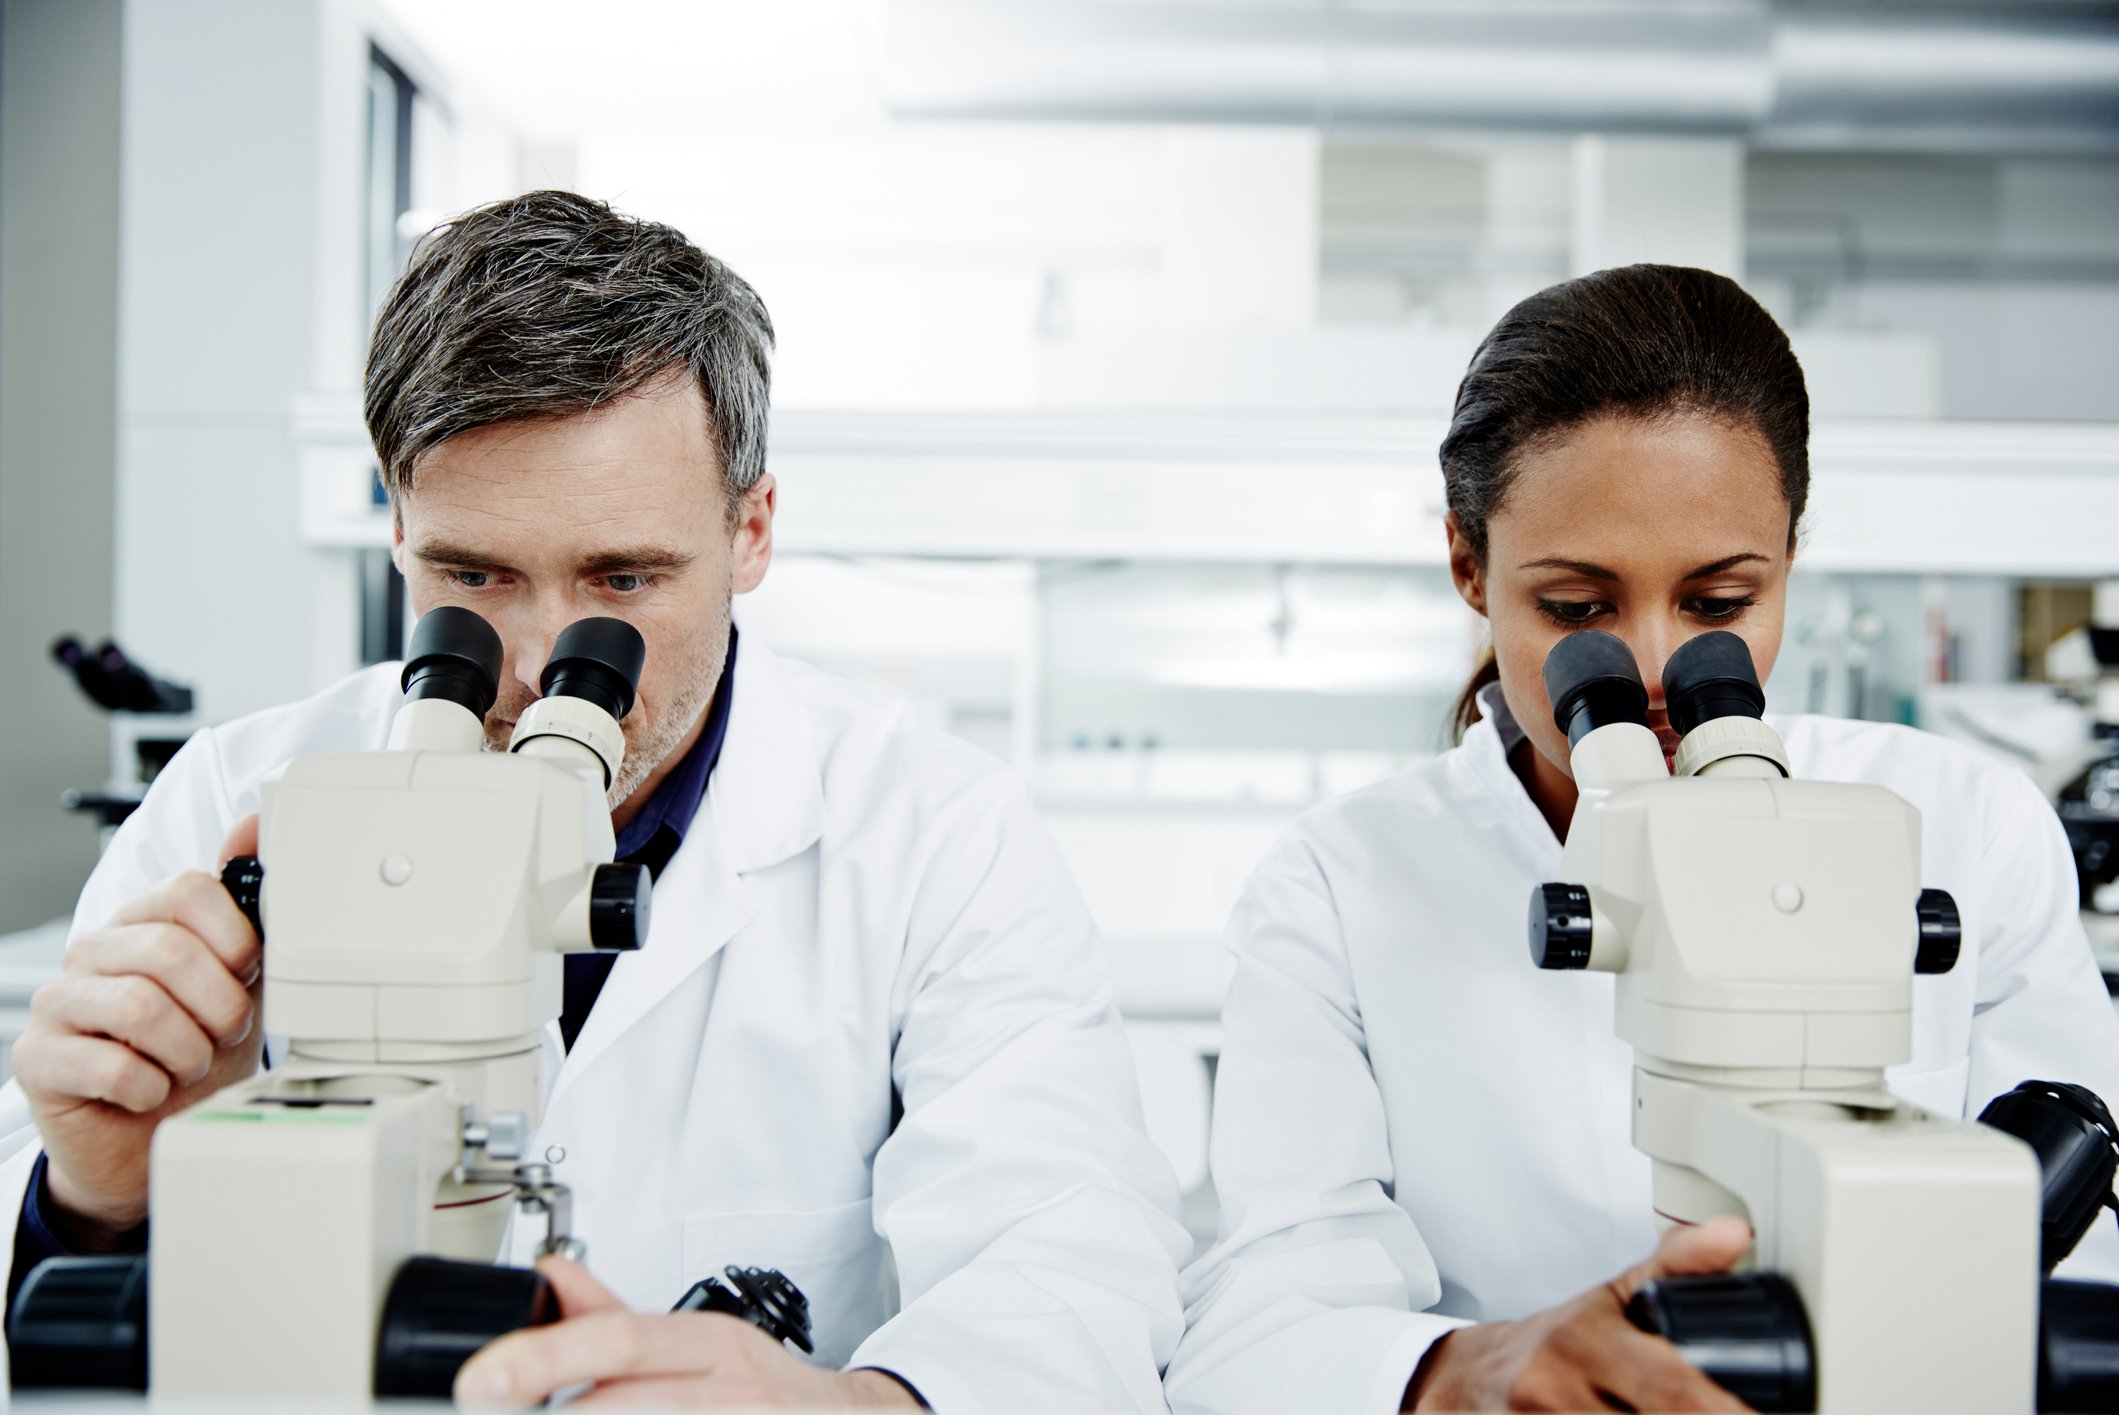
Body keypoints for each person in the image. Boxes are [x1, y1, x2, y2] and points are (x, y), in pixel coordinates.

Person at [0, 191, 1189, 1412]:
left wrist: (847, 1404)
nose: (534, 662)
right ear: (396, 524)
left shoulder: (934, 834)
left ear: (752, 530)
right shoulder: (236, 796)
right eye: (471, 576)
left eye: (623, 578)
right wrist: (93, 1196)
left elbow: (1075, 1266)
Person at [1163, 264, 2119, 1415]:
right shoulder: (1344, 880)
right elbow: (1257, 1318)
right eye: (1576, 611)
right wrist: (1464, 1368)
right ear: (1469, 564)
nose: (1658, 672)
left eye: (1719, 605)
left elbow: (2089, 1269)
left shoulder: (1957, 822)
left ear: (1789, 555)